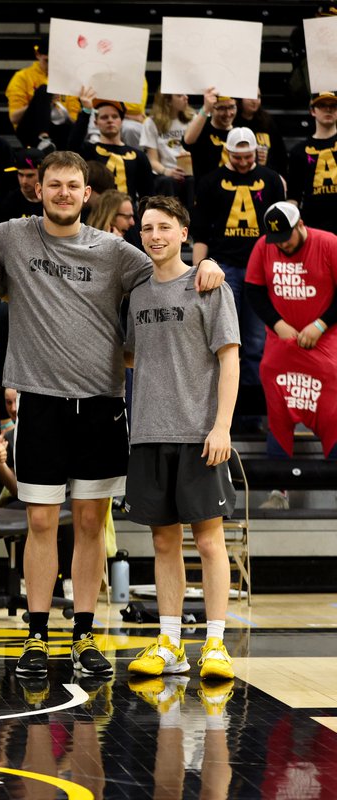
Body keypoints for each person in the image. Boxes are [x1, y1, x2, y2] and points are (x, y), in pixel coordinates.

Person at [0, 151, 225, 679]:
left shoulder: (117, 252)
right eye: (53, 185)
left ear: (87, 194)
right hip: (39, 403)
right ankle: (37, 636)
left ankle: (84, 635)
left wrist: (206, 263)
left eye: (72, 186)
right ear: (36, 190)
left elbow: (166, 271)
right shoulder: (11, 237)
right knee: (41, 521)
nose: (63, 193)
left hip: (102, 406)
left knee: (90, 523)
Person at [125, 195, 240, 683]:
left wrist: (222, 426)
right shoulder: (136, 293)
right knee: (163, 541)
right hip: (148, 432)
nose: (154, 235)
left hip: (199, 432)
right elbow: (133, 356)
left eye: (164, 227)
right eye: (147, 227)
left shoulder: (208, 287)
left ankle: (215, 642)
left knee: (210, 541)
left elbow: (229, 358)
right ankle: (170, 641)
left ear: (183, 232)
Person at [194, 127, 287, 389]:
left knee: (257, 341)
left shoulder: (271, 180)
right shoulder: (210, 181)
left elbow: (280, 232)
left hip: (261, 269)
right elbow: (200, 232)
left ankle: (251, 410)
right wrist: (198, 269)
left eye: (249, 157)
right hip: (224, 267)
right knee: (223, 340)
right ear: (228, 152)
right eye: (238, 157)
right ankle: (222, 406)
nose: (245, 162)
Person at [246, 202, 337, 461]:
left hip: (324, 339)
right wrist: (277, 324)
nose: (282, 245)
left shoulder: (329, 243)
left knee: (332, 404)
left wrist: (320, 325)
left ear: (300, 224)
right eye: (277, 240)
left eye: (286, 237)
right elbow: (254, 289)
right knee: (276, 402)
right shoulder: (264, 246)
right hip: (282, 341)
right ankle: (278, 492)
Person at [69, 93, 154, 203]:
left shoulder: (139, 156)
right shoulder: (89, 150)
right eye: (104, 117)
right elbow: (73, 145)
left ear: (121, 121)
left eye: (114, 116)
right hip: (97, 215)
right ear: (96, 123)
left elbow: (147, 195)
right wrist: (86, 111)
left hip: (129, 217)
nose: (110, 120)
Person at [5, 38, 79, 149]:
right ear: (37, 55)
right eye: (47, 61)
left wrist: (57, 108)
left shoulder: (67, 80)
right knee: (44, 90)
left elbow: (73, 119)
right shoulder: (22, 77)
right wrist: (40, 101)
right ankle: (43, 137)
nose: (51, 66)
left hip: (59, 129)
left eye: (55, 62)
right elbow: (14, 118)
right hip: (30, 129)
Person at [287, 91, 337, 235]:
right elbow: (293, 196)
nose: (328, 109)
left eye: (333, 106)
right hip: (313, 224)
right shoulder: (299, 151)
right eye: (322, 105)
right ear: (312, 111)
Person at [141, 91, 195, 206]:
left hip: (189, 171)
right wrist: (167, 172)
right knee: (167, 182)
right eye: (180, 95)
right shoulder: (151, 123)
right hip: (165, 172)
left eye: (185, 94)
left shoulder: (193, 119)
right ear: (168, 101)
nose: (186, 97)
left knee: (192, 181)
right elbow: (152, 160)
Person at [184, 88, 238, 183]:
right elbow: (187, 141)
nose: (228, 113)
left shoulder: (239, 132)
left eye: (231, 107)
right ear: (212, 109)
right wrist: (205, 109)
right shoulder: (202, 129)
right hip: (206, 192)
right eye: (221, 108)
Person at [237, 91, 287, 175]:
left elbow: (280, 154)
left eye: (258, 96)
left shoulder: (268, 121)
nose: (255, 101)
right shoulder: (233, 124)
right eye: (250, 97)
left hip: (267, 175)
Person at [0, 148, 44, 220]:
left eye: (30, 176)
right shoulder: (9, 202)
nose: (24, 181)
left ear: (42, 174)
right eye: (20, 175)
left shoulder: (52, 200)